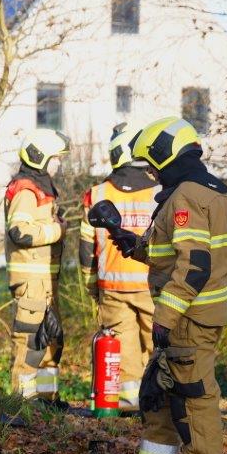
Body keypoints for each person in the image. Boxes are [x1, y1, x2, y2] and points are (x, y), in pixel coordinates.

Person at [112, 117, 227, 454]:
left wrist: (164, 318)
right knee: (161, 396)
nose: (150, 173)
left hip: (187, 319)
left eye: (151, 165)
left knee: (194, 407)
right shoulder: (212, 191)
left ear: (166, 155)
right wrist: (132, 243)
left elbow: (194, 266)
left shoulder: (186, 196)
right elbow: (176, 253)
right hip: (193, 315)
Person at [79, 121, 158, 412]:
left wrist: (91, 286)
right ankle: (158, 403)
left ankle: (128, 401)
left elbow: (86, 249)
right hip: (152, 284)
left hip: (112, 286)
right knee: (158, 345)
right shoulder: (161, 191)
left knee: (122, 349)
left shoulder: (97, 194)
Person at [4, 128, 70, 406]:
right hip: (31, 280)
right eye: (56, 158)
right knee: (30, 342)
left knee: (51, 339)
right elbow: (20, 231)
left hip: (45, 282)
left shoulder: (42, 188)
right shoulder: (26, 189)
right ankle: (24, 402)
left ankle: (47, 398)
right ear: (40, 157)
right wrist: (57, 230)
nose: (59, 164)